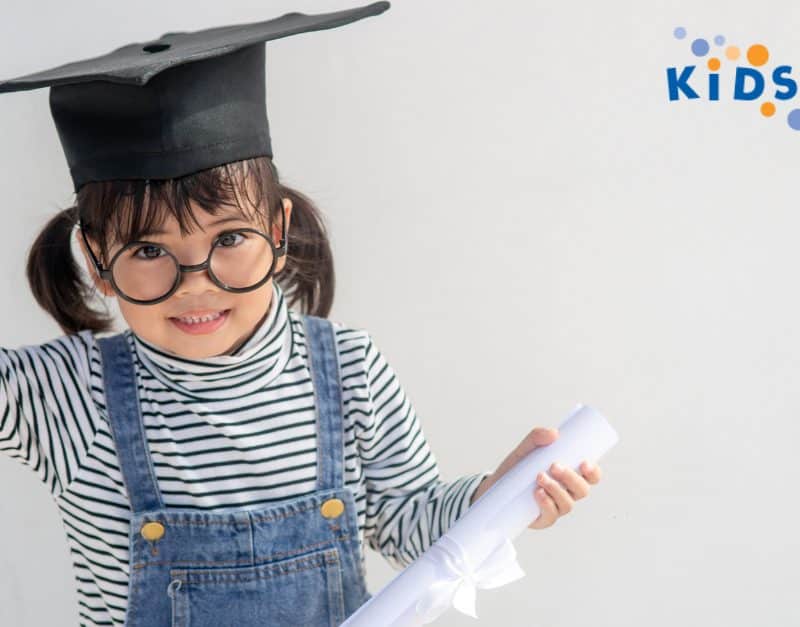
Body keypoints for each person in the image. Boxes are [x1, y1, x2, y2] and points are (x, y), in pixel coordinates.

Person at [0, 2, 602, 626]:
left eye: (229, 239)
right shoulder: (65, 394)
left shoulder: (349, 368)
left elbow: (408, 525)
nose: (198, 284)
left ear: (278, 230)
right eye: (151, 251)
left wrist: (494, 502)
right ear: (98, 261)